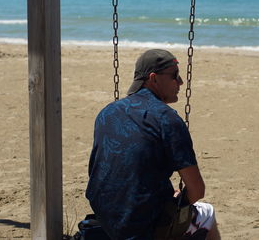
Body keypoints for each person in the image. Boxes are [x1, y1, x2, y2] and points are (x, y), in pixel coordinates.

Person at [86, 49, 221, 239]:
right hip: (143, 226)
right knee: (206, 212)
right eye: (174, 75)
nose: (181, 81)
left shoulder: (106, 113)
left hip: (107, 217)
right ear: (154, 79)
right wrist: (176, 200)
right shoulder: (166, 119)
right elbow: (197, 190)